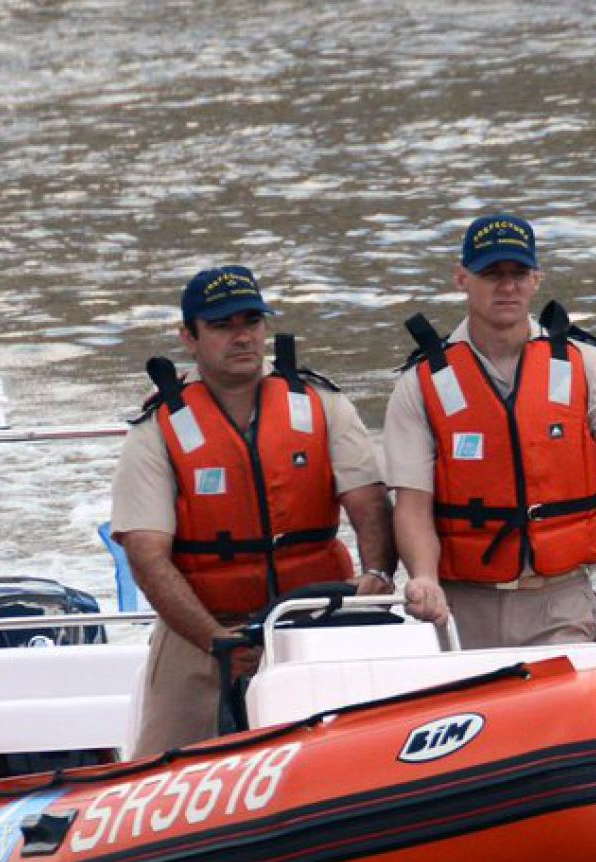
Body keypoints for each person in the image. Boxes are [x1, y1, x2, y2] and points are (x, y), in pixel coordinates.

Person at [111, 265, 396, 755]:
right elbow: (146, 554)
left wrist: (377, 574)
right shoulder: (156, 430)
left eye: (251, 322)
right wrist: (216, 638)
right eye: (223, 325)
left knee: (359, 753)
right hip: (200, 632)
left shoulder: (322, 405)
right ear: (189, 338)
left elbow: (369, 503)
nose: (242, 336)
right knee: (164, 769)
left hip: (313, 624)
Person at [382, 213, 596, 662]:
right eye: (491, 274)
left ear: (535, 279)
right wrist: (424, 578)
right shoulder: (421, 383)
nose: (506, 286)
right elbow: (412, 504)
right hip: (460, 604)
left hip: (558, 600)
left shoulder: (587, 367)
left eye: (517, 273)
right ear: (462, 278)